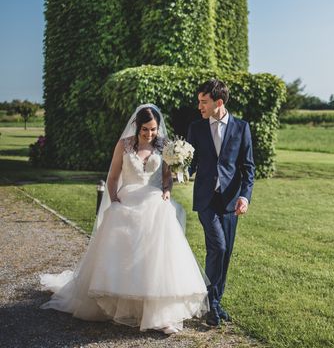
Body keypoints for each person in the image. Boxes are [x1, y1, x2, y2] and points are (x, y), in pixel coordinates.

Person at [40, 104, 209, 335]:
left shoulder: (165, 147)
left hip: (154, 202)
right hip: (127, 201)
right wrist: (115, 200)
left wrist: (167, 191)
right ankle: (119, 305)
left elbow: (167, 179)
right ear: (137, 127)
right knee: (122, 255)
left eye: (153, 130)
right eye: (145, 130)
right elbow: (112, 178)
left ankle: (160, 315)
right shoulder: (124, 145)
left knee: (157, 259)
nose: (150, 134)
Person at [187, 79, 255, 327]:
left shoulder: (241, 128)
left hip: (230, 202)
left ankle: (215, 301)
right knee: (218, 248)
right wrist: (177, 168)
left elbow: (248, 168)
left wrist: (244, 197)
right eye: (198, 101)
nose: (199, 107)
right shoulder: (196, 127)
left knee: (225, 255)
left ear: (219, 102)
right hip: (206, 200)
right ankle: (212, 305)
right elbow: (191, 164)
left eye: (203, 102)